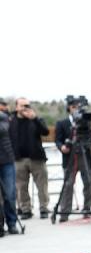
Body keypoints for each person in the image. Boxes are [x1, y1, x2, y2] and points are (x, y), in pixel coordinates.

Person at [54, 98, 91, 221]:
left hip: (85, 156)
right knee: (68, 184)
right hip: (70, 157)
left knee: (88, 182)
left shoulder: (87, 123)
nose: (76, 110)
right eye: (74, 107)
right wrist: (61, 146)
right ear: (69, 108)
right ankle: (64, 212)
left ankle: (87, 209)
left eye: (78, 107)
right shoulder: (62, 123)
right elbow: (57, 139)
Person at [10, 98, 50, 219]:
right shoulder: (10, 121)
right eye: (22, 105)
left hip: (36, 158)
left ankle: (44, 208)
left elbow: (46, 132)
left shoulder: (36, 119)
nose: (25, 108)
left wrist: (35, 119)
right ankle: (26, 209)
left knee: (42, 185)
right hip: (18, 159)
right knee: (21, 186)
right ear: (16, 107)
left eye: (27, 105)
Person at [0, 99, 19, 235]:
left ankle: (11, 223)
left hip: (6, 160)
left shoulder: (4, 117)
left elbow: (3, 129)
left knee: (9, 194)